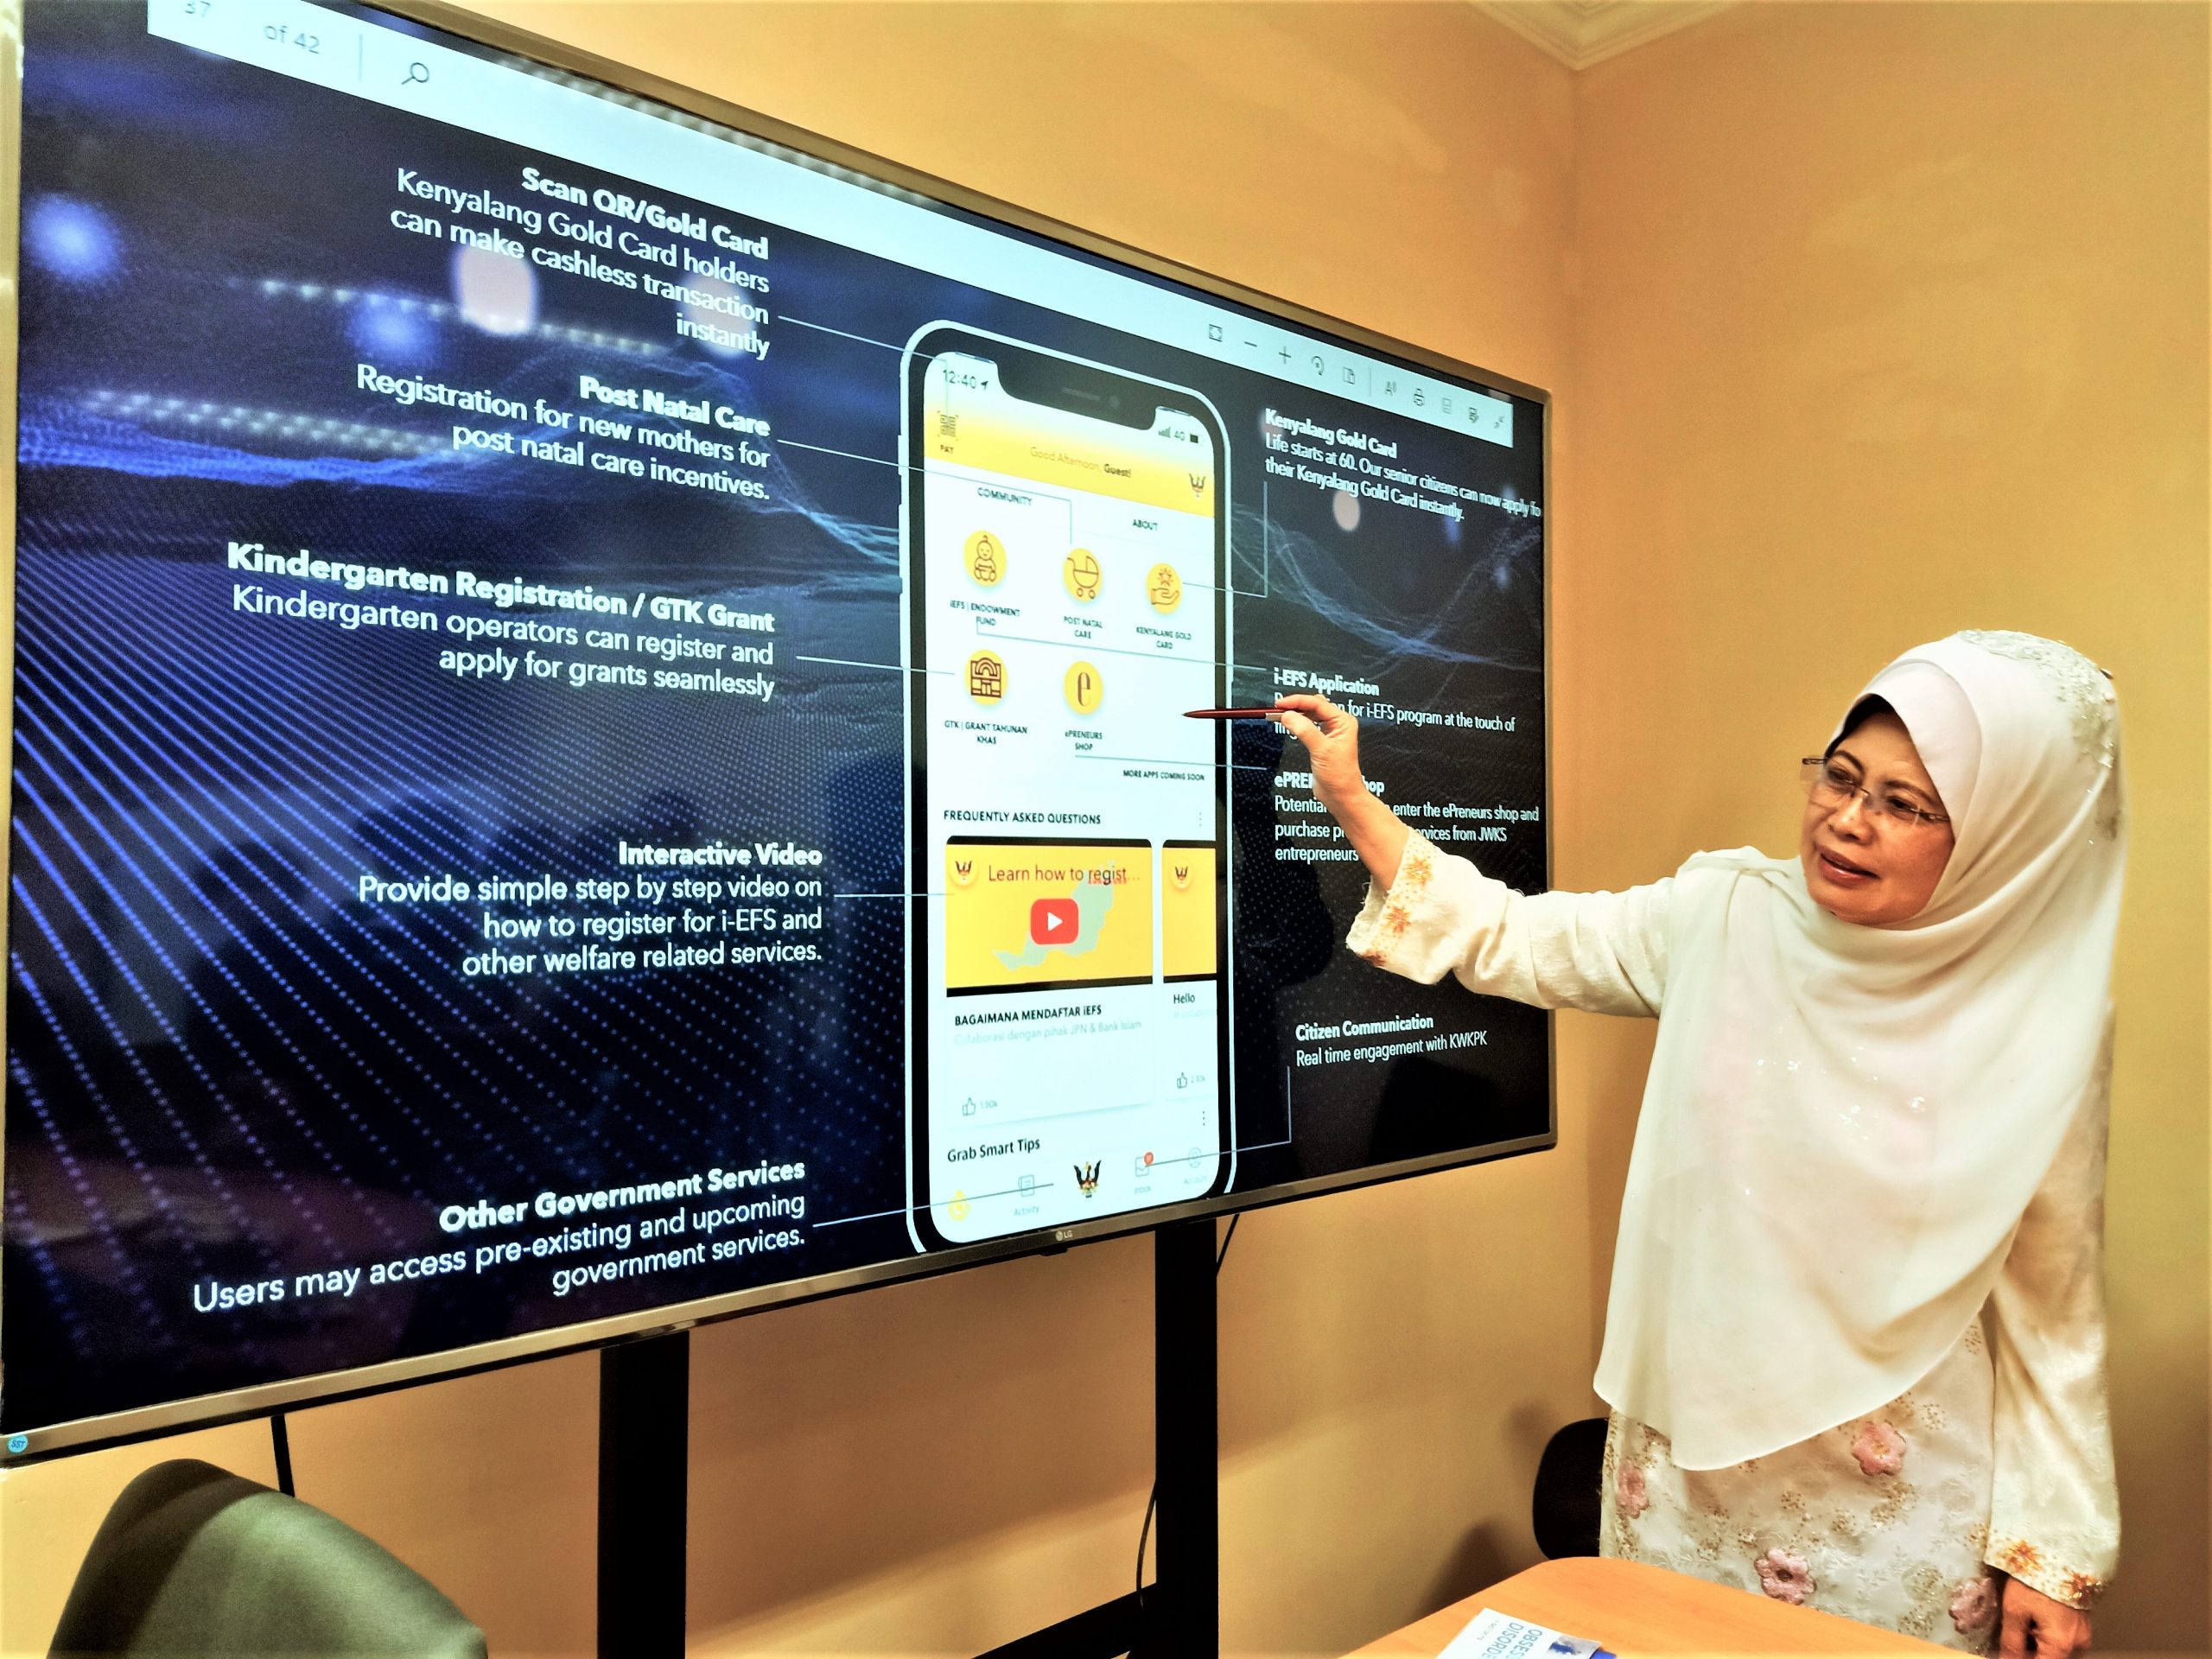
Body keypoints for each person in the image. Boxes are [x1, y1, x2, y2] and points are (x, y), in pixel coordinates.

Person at [1275, 631, 2123, 1659]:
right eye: (1839, 776)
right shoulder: (1727, 913)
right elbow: (1510, 934)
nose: (1847, 821)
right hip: (1688, 1460)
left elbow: (2053, 1301)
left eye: (1905, 805)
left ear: (2003, 834)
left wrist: (2049, 1554)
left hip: (1900, 1480)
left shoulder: (2037, 1012)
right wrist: (1351, 797)